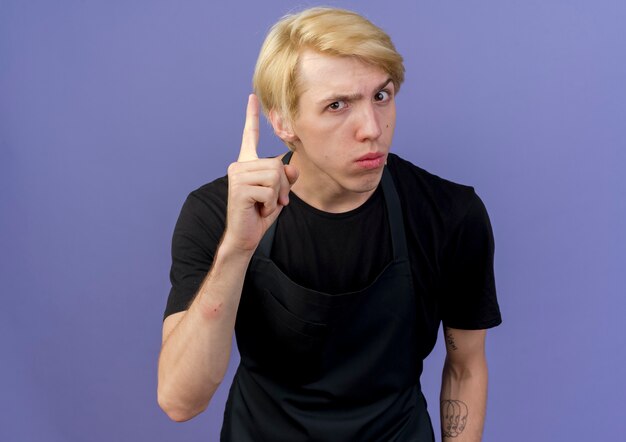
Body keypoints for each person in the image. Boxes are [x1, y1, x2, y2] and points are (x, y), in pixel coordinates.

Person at [158, 6, 501, 442]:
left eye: (382, 96)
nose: (371, 129)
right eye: (337, 105)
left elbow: (466, 365)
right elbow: (180, 401)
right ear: (282, 120)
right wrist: (236, 250)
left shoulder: (450, 214)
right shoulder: (214, 212)